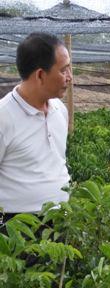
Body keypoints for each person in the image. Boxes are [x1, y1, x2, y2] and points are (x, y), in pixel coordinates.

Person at [0, 32, 72, 224]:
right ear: (40, 74)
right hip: (18, 226)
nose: (69, 77)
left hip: (61, 219)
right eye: (63, 70)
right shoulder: (4, 116)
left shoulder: (60, 110)